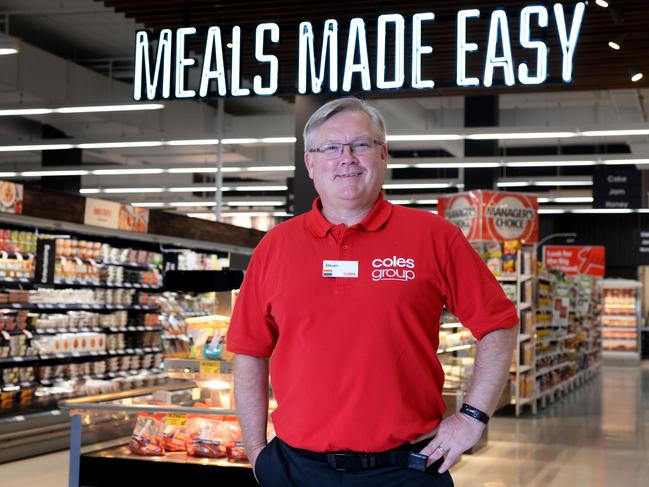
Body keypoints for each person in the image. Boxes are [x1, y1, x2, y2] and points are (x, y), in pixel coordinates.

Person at [227, 97, 519, 486]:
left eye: (360, 145)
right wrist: (257, 452)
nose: (346, 158)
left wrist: (473, 417)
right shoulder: (275, 248)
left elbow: (499, 324)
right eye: (330, 148)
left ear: (383, 155)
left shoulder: (434, 237)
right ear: (310, 164)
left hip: (406, 469)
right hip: (298, 470)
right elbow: (249, 351)